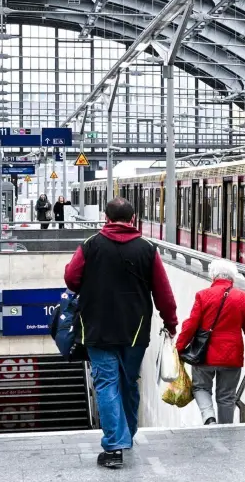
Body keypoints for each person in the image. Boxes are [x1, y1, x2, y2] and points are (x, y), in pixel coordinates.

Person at [64, 197, 177, 468]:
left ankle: (115, 445)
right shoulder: (147, 249)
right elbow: (163, 292)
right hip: (135, 330)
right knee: (128, 382)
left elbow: (71, 278)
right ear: (134, 218)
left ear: (106, 218)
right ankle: (127, 433)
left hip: (98, 326)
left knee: (106, 384)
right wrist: (170, 322)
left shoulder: (90, 246)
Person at [175, 259, 245, 425]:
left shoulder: (203, 295)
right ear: (232, 278)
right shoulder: (242, 297)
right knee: (226, 397)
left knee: (200, 387)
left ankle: (209, 418)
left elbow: (190, 325)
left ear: (213, 276)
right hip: (232, 356)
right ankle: (225, 429)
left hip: (204, 355)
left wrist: (179, 347)